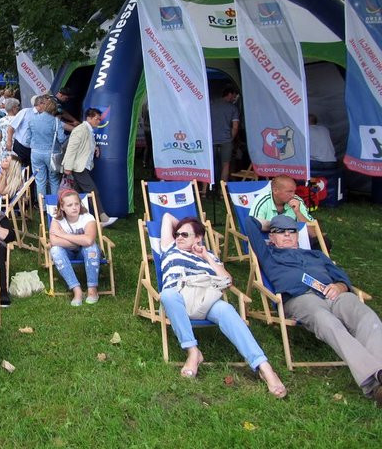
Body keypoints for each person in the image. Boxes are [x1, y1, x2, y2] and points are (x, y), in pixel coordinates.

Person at [246, 214, 382, 404]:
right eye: (280, 232)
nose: (287, 235)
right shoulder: (269, 255)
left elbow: (341, 277)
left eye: (292, 231)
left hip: (334, 295)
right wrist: (269, 224)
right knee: (327, 322)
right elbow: (248, 223)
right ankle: (374, 381)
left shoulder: (316, 255)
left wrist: (340, 287)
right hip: (300, 298)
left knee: (368, 317)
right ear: (271, 237)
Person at [158, 212, 287, 397]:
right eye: (177, 234)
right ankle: (193, 352)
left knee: (226, 309)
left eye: (184, 235)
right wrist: (186, 227)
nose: (178, 237)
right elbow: (167, 217)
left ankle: (264, 367)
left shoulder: (208, 255)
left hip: (206, 299)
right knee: (167, 295)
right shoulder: (169, 248)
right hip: (178, 297)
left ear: (199, 238)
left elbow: (227, 281)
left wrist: (206, 256)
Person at [62, 108, 117, 227]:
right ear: (89, 118)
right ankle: (103, 217)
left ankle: (69, 217)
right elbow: (72, 148)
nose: (99, 121)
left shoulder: (87, 129)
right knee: (92, 191)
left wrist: (95, 147)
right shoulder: (81, 130)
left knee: (75, 194)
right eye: (97, 119)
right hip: (78, 167)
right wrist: (68, 166)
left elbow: (86, 144)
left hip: (80, 167)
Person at [48, 189, 101, 306]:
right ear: (62, 207)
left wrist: (63, 235)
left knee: (91, 247)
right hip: (67, 252)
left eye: (77, 204)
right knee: (55, 250)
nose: (74, 207)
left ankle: (92, 290)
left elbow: (89, 240)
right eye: (69, 205)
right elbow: (54, 241)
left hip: (84, 251)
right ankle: (77, 290)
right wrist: (79, 241)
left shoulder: (87, 218)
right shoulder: (57, 220)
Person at [26, 97, 66, 197]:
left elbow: (27, 139)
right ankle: (54, 207)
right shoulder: (56, 121)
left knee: (40, 180)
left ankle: (42, 207)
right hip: (52, 153)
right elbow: (61, 139)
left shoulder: (32, 119)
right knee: (54, 180)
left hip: (35, 152)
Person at [210, 86, 240, 185]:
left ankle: (206, 190)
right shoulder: (233, 108)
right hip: (226, 139)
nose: (235, 99)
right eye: (234, 96)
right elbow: (235, 127)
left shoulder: (211, 105)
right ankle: (222, 191)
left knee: (209, 164)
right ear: (230, 94)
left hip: (211, 139)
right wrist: (230, 139)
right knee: (226, 165)